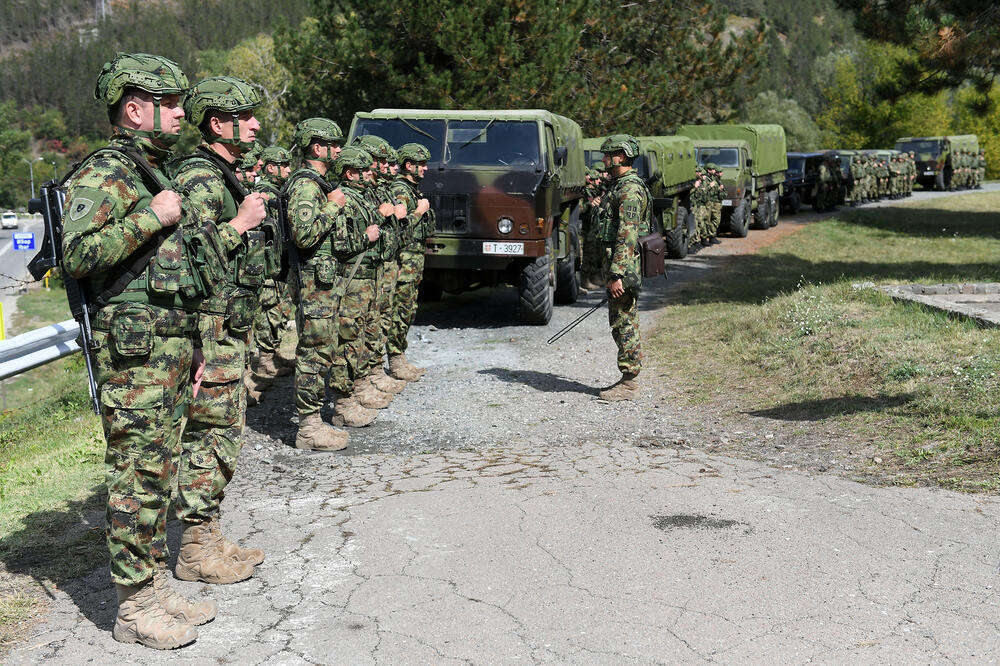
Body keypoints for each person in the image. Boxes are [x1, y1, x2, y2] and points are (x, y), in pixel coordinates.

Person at [62, 52, 223, 649]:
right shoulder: (107, 173)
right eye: (172, 103)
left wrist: (198, 342)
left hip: (168, 348)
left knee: (159, 471)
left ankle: (153, 586)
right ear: (135, 109)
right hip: (134, 359)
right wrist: (151, 217)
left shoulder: (151, 168)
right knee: (136, 475)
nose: (184, 113)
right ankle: (133, 608)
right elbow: (76, 255)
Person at [170, 76, 270, 586]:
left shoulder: (227, 174)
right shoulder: (202, 180)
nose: (255, 124)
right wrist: (240, 225)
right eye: (245, 116)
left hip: (229, 328)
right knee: (209, 437)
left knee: (224, 436)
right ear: (217, 122)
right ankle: (193, 550)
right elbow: (186, 264)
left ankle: (207, 533)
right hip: (209, 332)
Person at [596, 134, 651, 401]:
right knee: (620, 321)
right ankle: (628, 379)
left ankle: (629, 384)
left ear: (622, 156)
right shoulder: (618, 187)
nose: (605, 160)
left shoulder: (629, 190)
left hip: (623, 269)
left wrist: (616, 274)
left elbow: (627, 235)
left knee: (624, 322)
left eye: (608, 155)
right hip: (618, 267)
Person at [246, 145, 296, 398]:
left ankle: (272, 354)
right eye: (283, 165)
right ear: (270, 167)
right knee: (268, 312)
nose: (288, 169)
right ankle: (264, 363)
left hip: (279, 262)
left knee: (279, 310)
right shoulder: (265, 193)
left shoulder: (277, 191)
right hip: (267, 265)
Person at [387, 142, 434, 380]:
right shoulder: (401, 190)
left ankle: (400, 356)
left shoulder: (413, 189)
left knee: (408, 309)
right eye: (421, 164)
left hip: (413, 262)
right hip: (403, 262)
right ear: (409, 165)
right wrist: (419, 211)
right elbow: (400, 229)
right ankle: (395, 360)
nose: (425, 169)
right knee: (400, 310)